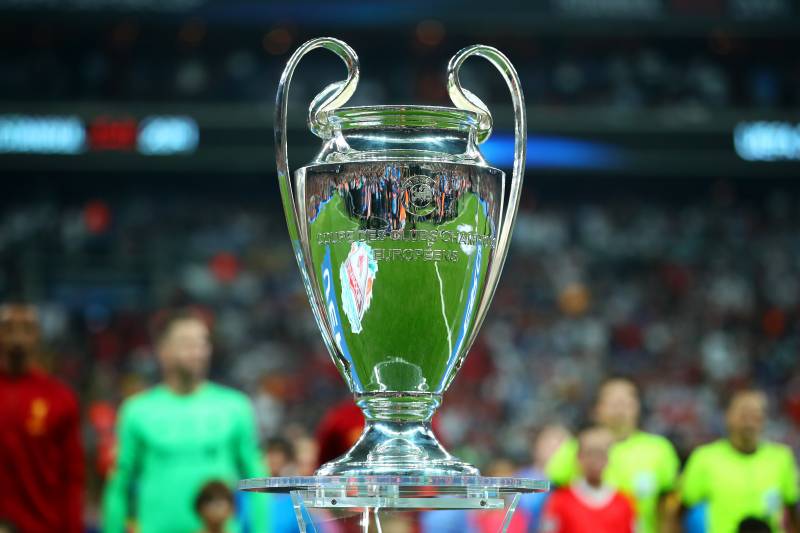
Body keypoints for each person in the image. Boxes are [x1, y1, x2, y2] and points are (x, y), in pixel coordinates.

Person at [102, 307, 270, 533]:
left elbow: (258, 481)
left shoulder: (235, 408)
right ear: (162, 350)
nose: (197, 351)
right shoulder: (137, 412)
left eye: (202, 343)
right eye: (186, 343)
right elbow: (119, 487)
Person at [546, 377, 679, 533]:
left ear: (638, 407)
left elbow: (669, 509)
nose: (619, 409)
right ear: (597, 409)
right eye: (613, 403)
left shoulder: (659, 449)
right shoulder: (576, 448)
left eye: (626, 402)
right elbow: (552, 498)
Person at [0, 304, 85, 533]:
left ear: (37, 335)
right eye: (8, 327)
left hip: (44, 525)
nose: (17, 336)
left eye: (26, 328)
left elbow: (72, 476)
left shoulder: (60, 398)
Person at [680, 389, 799, 533]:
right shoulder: (704, 458)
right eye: (743, 414)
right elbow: (680, 510)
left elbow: (792, 512)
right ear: (728, 416)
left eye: (755, 414)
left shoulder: (781, 458)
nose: (749, 421)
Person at [540, 426, 635, 533]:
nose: (595, 460)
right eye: (589, 453)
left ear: (608, 458)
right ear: (579, 457)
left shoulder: (624, 503)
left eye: (600, 454)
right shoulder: (560, 501)